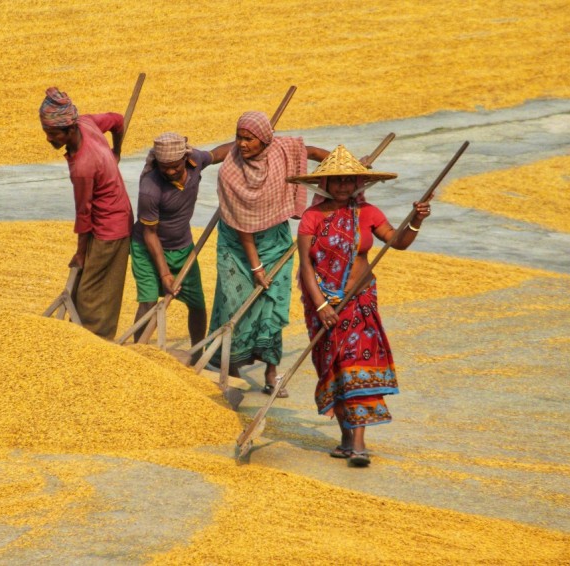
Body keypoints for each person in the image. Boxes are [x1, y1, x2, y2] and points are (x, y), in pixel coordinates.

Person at [290, 145, 431, 467]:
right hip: (324, 307)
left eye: (348, 180)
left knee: (358, 367)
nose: (342, 186)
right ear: (324, 184)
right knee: (336, 370)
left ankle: (358, 443)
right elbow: (306, 267)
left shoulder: (368, 213)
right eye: (336, 180)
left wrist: (416, 220)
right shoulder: (312, 217)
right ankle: (345, 437)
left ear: (358, 182)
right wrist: (322, 304)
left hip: (361, 303)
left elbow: (398, 243)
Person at [210, 111, 328, 397]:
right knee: (235, 303)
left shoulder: (281, 150)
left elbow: (310, 152)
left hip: (275, 239)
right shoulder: (230, 171)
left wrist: (344, 164)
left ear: (264, 140)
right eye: (238, 137)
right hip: (238, 244)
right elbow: (243, 228)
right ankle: (232, 371)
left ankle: (271, 373)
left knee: (273, 304)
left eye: (248, 138)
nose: (241, 144)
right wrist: (255, 267)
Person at [39, 87, 133, 340]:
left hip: (110, 226)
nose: (49, 139)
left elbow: (84, 214)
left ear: (69, 130)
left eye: (53, 133)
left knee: (92, 293)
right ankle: (81, 337)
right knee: (85, 287)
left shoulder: (83, 166)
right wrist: (117, 151)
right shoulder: (87, 123)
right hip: (111, 215)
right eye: (46, 132)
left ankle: (96, 342)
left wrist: (81, 254)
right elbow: (118, 121)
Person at [131, 133, 233, 347]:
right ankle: (138, 354)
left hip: (182, 247)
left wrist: (241, 146)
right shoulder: (150, 188)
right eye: (163, 167)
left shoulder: (196, 160)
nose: (169, 171)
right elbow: (150, 235)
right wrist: (165, 273)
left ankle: (197, 350)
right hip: (147, 248)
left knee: (196, 303)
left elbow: (217, 154)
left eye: (175, 167)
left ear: (185, 160)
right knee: (148, 302)